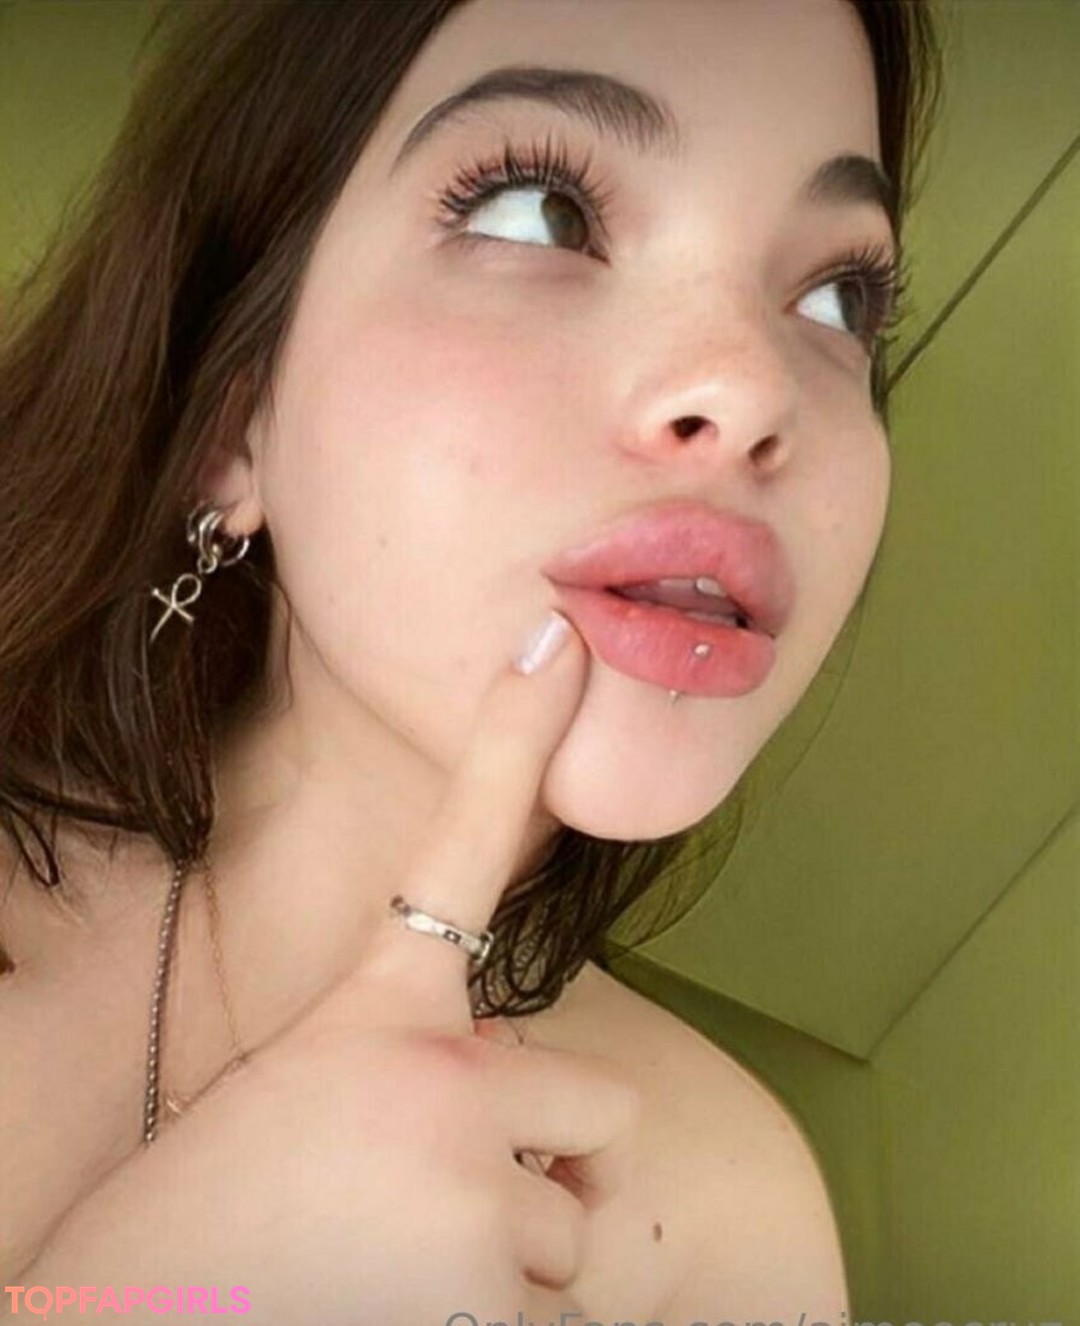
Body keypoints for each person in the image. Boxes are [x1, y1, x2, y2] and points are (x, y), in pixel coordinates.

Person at [0, 0, 942, 1320]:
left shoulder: (726, 1215)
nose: (750, 390)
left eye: (840, 296)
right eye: (544, 213)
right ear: (233, 417)